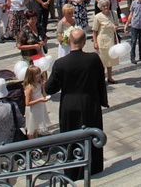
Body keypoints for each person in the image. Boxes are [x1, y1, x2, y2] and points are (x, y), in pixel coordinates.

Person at [44, 28, 108, 179]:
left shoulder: (60, 63)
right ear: (84, 42)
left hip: (69, 105)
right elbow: (101, 80)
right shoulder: (93, 59)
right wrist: (103, 100)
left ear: (69, 42)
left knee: (71, 138)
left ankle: (73, 171)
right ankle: (94, 167)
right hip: (89, 102)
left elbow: (50, 88)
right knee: (92, 135)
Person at [92, 0, 119, 84]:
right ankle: (101, 78)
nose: (106, 7)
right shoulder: (98, 17)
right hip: (102, 41)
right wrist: (95, 42)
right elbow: (94, 31)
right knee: (102, 61)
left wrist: (116, 27)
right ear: (100, 8)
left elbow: (117, 24)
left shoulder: (114, 13)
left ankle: (110, 77)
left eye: (107, 5)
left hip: (111, 40)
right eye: (103, 6)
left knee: (110, 60)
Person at [23, 65, 51, 138]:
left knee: (36, 127)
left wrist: (43, 86)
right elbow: (27, 103)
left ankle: (36, 143)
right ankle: (32, 145)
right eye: (37, 75)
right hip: (33, 109)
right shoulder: (29, 88)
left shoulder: (38, 84)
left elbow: (44, 95)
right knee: (31, 128)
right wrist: (40, 100)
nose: (39, 76)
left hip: (40, 107)